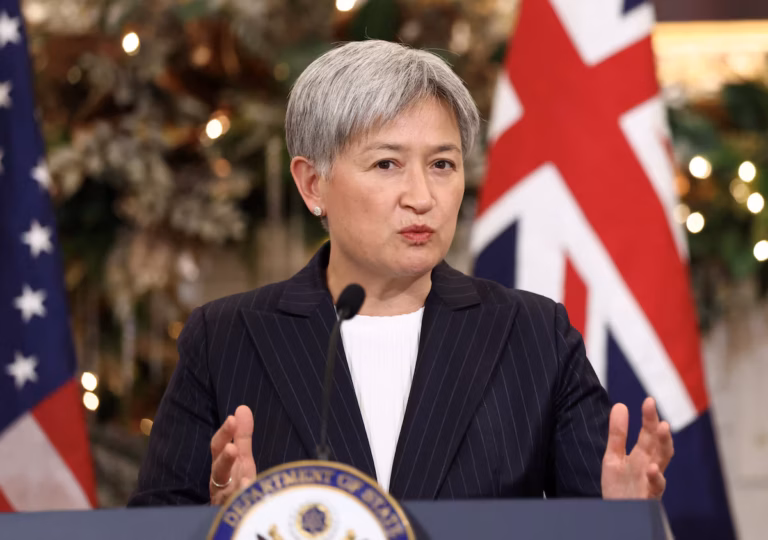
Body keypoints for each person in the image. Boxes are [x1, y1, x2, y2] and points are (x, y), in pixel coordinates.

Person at [129, 40, 673, 507]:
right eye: (386, 164)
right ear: (313, 184)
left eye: (442, 164)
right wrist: (221, 521)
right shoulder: (226, 339)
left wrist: (623, 518)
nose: (422, 197)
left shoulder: (533, 335)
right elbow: (156, 524)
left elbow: (594, 518)